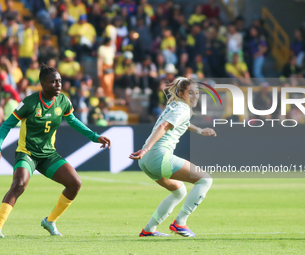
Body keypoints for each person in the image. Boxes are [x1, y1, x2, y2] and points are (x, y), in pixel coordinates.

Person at [0, 64, 111, 238]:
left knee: (75, 183)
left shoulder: (63, 101)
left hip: (48, 154)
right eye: (53, 82)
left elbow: (73, 121)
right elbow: (7, 125)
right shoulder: (29, 102)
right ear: (43, 84)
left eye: (59, 81)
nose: (58, 84)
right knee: (19, 185)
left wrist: (94, 136)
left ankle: (50, 221)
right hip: (27, 153)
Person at [130, 77, 215, 237]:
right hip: (157, 156)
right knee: (205, 179)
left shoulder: (175, 106)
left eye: (197, 92)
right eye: (191, 92)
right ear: (181, 93)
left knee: (179, 191)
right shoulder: (182, 109)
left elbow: (181, 123)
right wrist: (146, 149)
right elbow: (164, 126)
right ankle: (180, 223)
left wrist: (200, 131)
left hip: (147, 161)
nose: (195, 96)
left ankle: (149, 230)